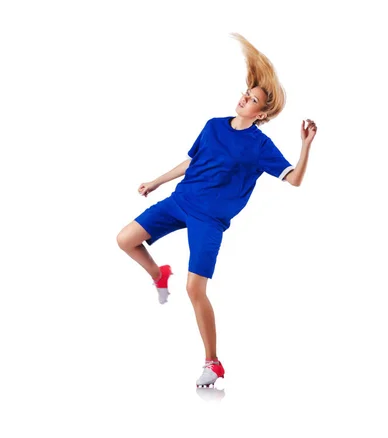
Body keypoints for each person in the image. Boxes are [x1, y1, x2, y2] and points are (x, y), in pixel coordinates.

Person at [116, 34, 317, 388]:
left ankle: (213, 362)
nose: (245, 98)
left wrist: (305, 146)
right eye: (246, 92)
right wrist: (156, 181)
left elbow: (295, 180)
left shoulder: (260, 146)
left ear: (263, 112)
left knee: (196, 290)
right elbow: (191, 161)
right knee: (125, 239)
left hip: (209, 220)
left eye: (253, 99)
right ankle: (158, 274)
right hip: (181, 201)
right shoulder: (213, 125)